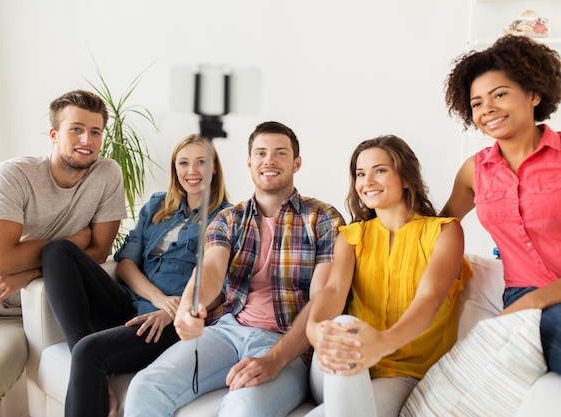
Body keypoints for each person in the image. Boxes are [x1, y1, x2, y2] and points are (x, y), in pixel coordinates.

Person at [123, 121, 345, 417]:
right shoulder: (229, 219)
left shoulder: (323, 219)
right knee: (145, 385)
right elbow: (211, 271)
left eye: (280, 153)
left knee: (242, 407)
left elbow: (323, 299)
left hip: (285, 341)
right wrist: (190, 305)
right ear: (250, 162)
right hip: (226, 332)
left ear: (296, 163)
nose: (269, 160)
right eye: (261, 153)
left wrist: (275, 359)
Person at [0, 90, 126, 417]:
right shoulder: (13, 175)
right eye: (76, 129)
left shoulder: (106, 175)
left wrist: (29, 274)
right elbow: (2, 261)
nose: (87, 139)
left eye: (95, 131)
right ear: (54, 134)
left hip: (11, 316)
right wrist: (72, 239)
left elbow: (97, 252)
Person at [41, 134, 231, 417]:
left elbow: (220, 286)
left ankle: (87, 361)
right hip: (132, 304)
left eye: (201, 162)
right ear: (175, 169)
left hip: (168, 322)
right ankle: (86, 359)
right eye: (184, 163)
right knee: (58, 251)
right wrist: (158, 296)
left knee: (88, 352)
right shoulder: (157, 205)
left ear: (215, 167)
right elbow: (126, 264)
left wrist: (171, 309)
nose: (192, 171)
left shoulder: (228, 218)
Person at [304, 135, 472, 417]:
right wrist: (315, 329)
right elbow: (333, 291)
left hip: (405, 373)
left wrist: (381, 344)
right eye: (360, 174)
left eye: (379, 170)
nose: (367, 181)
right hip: (338, 365)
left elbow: (429, 300)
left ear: (406, 178)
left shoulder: (444, 232)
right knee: (345, 325)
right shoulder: (352, 237)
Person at [442, 34, 561, 373]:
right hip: (525, 300)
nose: (487, 109)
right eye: (477, 103)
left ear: (534, 95)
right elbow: (442, 227)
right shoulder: (473, 172)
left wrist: (532, 303)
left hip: (531, 304)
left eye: (500, 95)